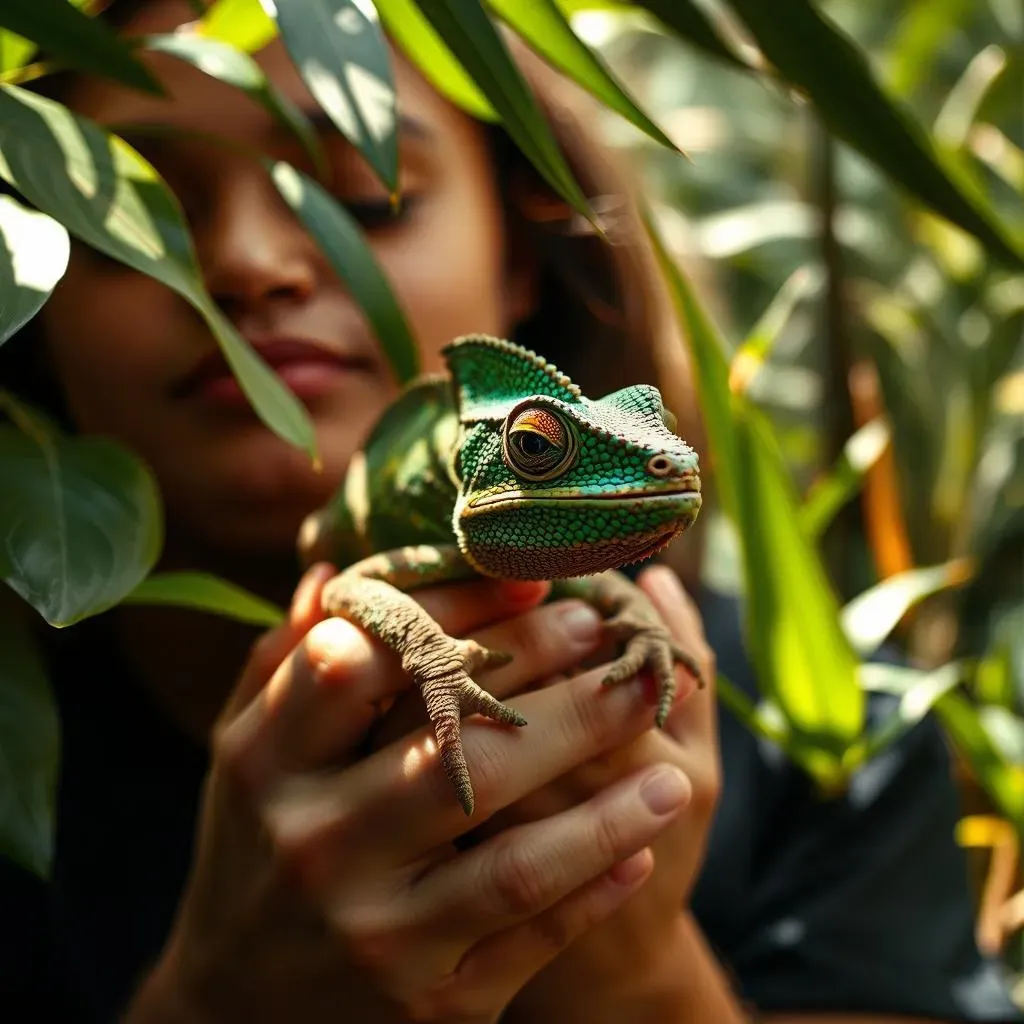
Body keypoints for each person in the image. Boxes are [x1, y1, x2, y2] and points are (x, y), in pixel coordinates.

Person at [0, 1, 1019, 1021]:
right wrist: (215, 999)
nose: (252, 266)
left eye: (367, 196)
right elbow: (362, 582)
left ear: (522, 247)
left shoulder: (836, 741)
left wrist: (629, 970)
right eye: (134, 222)